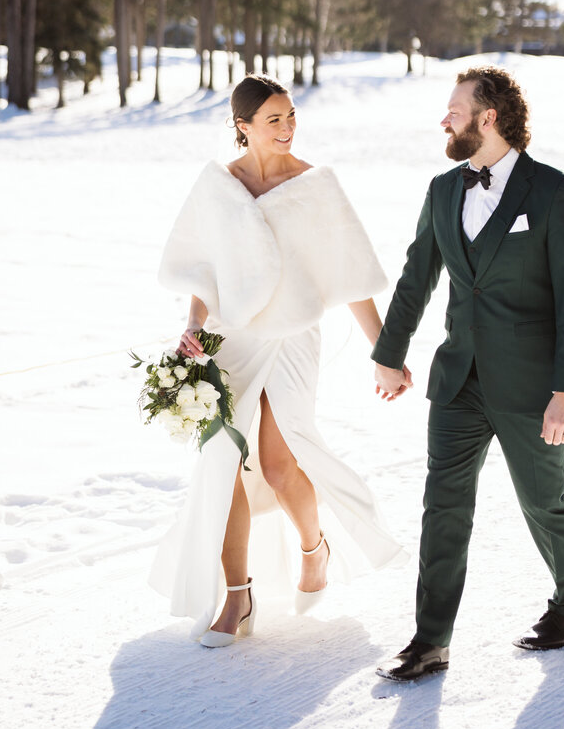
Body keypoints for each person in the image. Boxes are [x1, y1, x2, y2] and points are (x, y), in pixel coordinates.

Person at [150, 73, 405, 646]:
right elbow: (202, 270)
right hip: (232, 338)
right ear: (242, 126)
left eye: (291, 117)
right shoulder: (217, 187)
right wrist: (193, 325)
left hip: (292, 340)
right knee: (223, 465)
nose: (287, 128)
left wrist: (385, 354)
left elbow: (352, 279)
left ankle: (315, 547)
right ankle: (236, 599)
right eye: (274, 119)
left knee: (278, 464)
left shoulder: (315, 186)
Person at [372, 65, 564, 681]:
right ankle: (430, 639)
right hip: (457, 384)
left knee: (543, 504)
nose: (444, 119)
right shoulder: (444, 190)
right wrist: (390, 353)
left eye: (454, 108)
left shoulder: (556, 192)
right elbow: (418, 275)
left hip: (532, 387)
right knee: (443, 506)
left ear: (488, 117)